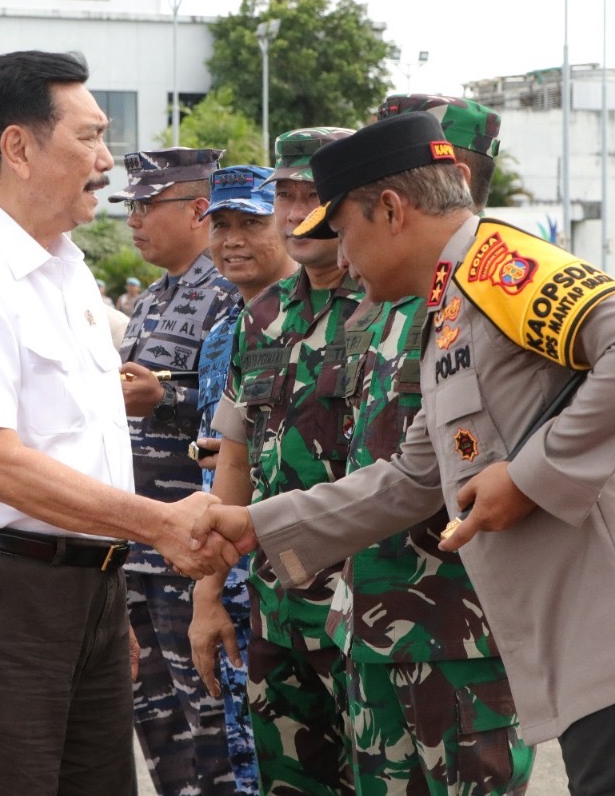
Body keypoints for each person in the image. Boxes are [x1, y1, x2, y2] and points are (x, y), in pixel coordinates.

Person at [193, 112, 615, 795]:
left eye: (343, 232)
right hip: (588, 651)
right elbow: (410, 478)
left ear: (391, 210)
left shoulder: (496, 265)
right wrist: (255, 527)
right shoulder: (447, 304)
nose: (339, 256)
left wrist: (529, 476)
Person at [0, 49, 236, 796]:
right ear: (18, 146)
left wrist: (105, 602)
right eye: (89, 137)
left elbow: (81, 441)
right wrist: (157, 524)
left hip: (85, 596)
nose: (106, 160)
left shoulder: (67, 270)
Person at [322, 94, 532, 795]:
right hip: (374, 623)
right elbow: (382, 456)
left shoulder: (509, 284)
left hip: (464, 630)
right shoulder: (380, 303)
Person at [206, 126, 361, 795]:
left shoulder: (395, 303)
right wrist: (208, 593)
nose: (294, 213)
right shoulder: (262, 315)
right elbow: (234, 464)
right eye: (285, 195)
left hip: (372, 614)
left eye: (312, 195)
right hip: (278, 607)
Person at [108, 146, 242, 796]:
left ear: (197, 209)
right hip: (137, 553)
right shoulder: (151, 299)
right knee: (161, 739)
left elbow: (240, 420)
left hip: (191, 554)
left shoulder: (230, 295)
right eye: (129, 206)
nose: (133, 219)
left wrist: (166, 398)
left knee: (212, 736)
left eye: (145, 205)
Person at [188, 163, 294, 796]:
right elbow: (219, 476)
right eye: (219, 224)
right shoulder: (225, 333)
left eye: (251, 223)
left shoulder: (330, 319)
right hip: (232, 587)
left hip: (305, 590)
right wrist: (207, 596)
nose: (232, 239)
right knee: (246, 770)